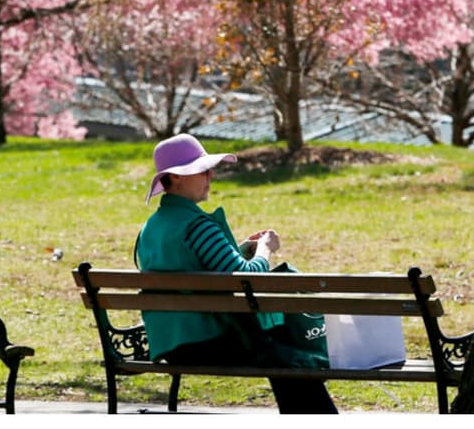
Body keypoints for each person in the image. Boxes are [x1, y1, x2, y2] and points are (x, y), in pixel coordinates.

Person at [135, 133, 337, 414]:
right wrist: (265, 250)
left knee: (285, 361)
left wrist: (240, 249)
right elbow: (247, 278)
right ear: (176, 177)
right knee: (293, 363)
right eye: (202, 170)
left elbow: (190, 265)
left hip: (170, 343)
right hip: (207, 340)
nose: (210, 175)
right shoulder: (198, 225)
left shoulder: (150, 229)